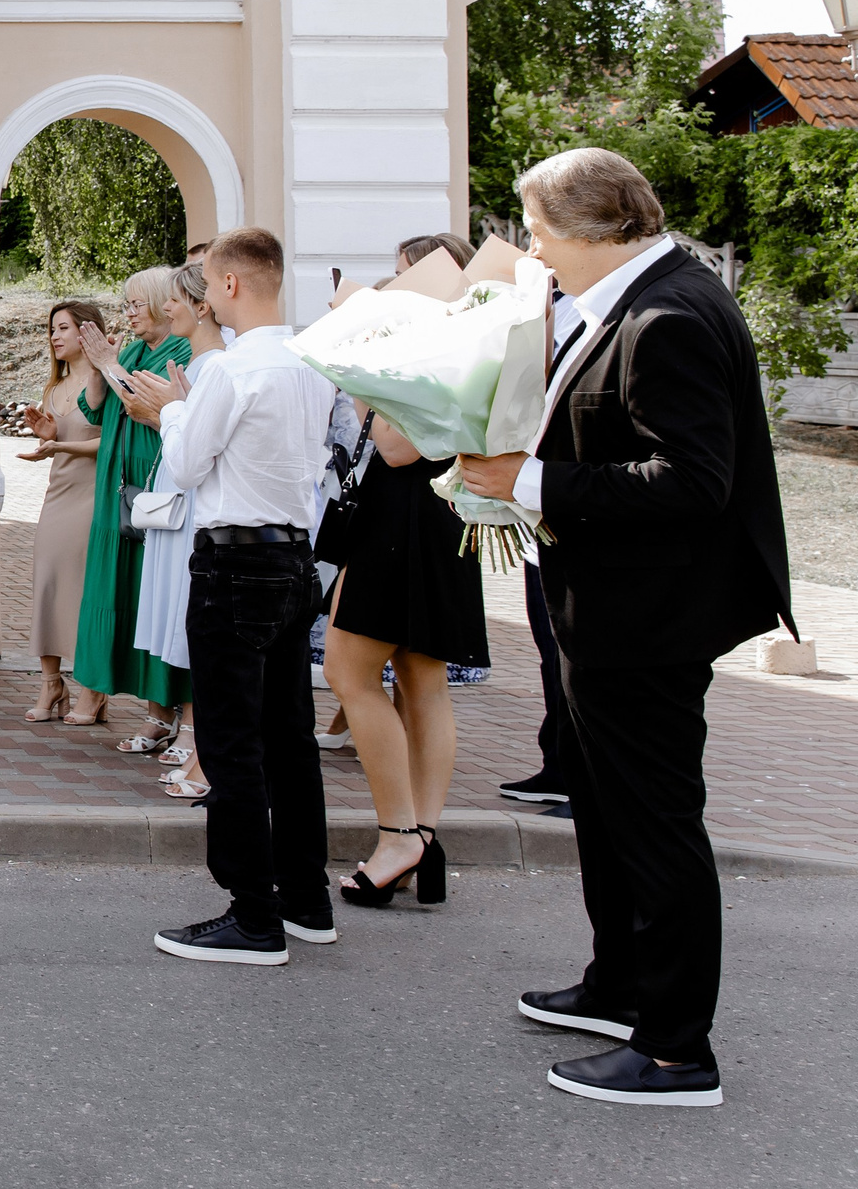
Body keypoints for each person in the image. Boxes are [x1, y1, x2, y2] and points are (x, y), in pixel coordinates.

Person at [457, 147, 792, 1107]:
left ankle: (680, 1051)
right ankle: (622, 986)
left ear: (592, 228)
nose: (533, 249)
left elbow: (693, 482)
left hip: (651, 618)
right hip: (606, 607)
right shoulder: (638, 295)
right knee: (604, 813)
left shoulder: (670, 315)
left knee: (654, 826)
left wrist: (528, 481)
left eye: (539, 229)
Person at [126, 228, 337, 966]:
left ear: (232, 284)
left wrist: (173, 408)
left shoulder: (231, 369)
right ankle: (305, 896)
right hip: (293, 558)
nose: (207, 296)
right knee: (289, 733)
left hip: (236, 562)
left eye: (210, 283)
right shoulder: (312, 360)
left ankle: (252, 911)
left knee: (230, 739)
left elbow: (184, 464)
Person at [320, 404, 487, 907]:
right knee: (423, 683)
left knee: (350, 674)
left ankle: (400, 837)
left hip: (403, 510)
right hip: (441, 506)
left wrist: (362, 378)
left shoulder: (420, 338)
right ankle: (422, 841)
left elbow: (396, 447)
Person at [70, 267, 194, 753]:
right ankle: (155, 714)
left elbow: (142, 402)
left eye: (136, 304)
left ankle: (173, 710)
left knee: (158, 597)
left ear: (166, 303)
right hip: (116, 488)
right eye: (125, 305)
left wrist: (108, 364)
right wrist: (98, 362)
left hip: (154, 486)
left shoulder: (182, 351)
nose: (129, 314)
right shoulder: (136, 349)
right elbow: (97, 407)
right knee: (124, 596)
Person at [126, 263, 229, 799]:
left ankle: (200, 746)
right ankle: (198, 743)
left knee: (199, 624)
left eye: (176, 301)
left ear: (201, 305)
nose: (167, 309)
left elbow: (195, 456)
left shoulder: (217, 365)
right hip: (179, 490)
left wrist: (165, 412)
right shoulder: (201, 361)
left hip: (197, 499)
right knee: (181, 618)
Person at [15, 300, 105, 723]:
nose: (54, 336)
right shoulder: (53, 388)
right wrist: (46, 439)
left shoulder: (103, 381)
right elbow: (57, 444)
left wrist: (59, 444)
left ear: (87, 333)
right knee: (47, 584)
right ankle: (51, 683)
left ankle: (93, 689)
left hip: (93, 500)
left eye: (64, 328)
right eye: (53, 328)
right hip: (57, 496)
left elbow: (110, 445)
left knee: (85, 592)